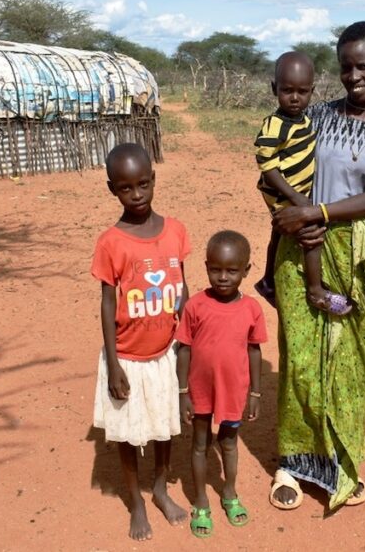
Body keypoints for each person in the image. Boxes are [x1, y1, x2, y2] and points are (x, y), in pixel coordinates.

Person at [268, 21, 365, 511]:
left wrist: (319, 212)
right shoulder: (311, 115)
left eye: (364, 66)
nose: (354, 77)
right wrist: (293, 221)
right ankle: (292, 463)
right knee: (300, 358)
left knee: (350, 361)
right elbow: (270, 171)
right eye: (346, 67)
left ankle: (339, 462)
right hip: (301, 247)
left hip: (354, 252)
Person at [90, 143, 190, 541]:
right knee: (129, 433)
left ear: (154, 179)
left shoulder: (176, 231)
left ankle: (162, 489)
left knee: (164, 428)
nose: (137, 195)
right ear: (112, 188)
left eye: (144, 184)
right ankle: (136, 499)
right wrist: (113, 363)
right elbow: (106, 302)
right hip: (128, 357)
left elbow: (182, 286)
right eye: (126, 188)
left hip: (166, 352)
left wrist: (186, 339)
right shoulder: (111, 242)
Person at [175, 230, 267, 538]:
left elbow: (254, 349)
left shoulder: (252, 309)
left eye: (231, 271)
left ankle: (229, 492)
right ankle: (201, 500)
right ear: (206, 266)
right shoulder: (195, 307)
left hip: (233, 391)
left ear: (246, 271)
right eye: (215, 269)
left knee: (228, 442)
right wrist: (183, 392)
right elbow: (184, 349)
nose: (223, 277)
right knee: (199, 444)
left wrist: (254, 392)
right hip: (200, 389)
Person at [253, 51, 353, 315]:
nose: (295, 98)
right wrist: (297, 199)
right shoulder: (275, 125)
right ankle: (316, 290)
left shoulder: (305, 120)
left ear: (312, 91)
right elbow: (267, 165)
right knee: (312, 231)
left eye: (302, 91)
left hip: (292, 191)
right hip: (281, 192)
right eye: (287, 90)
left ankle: (268, 281)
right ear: (275, 89)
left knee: (278, 233)